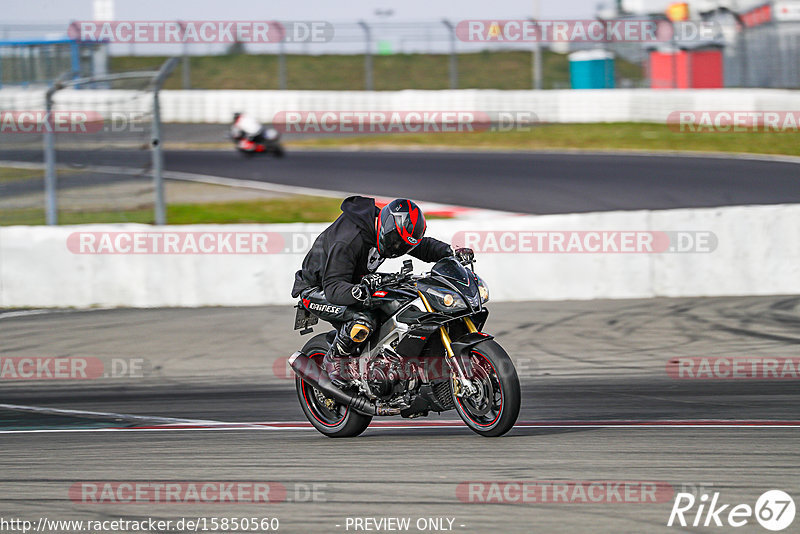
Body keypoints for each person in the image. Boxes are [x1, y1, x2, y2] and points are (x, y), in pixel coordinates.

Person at [291, 196, 472, 387]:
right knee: (363, 320)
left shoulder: (389, 229)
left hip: (355, 281)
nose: (398, 248)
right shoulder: (347, 240)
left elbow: (421, 245)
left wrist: (450, 252)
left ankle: (390, 362)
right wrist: (359, 292)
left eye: (403, 245)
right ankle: (335, 361)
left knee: (404, 298)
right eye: (396, 243)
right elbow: (334, 288)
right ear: (387, 230)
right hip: (320, 289)